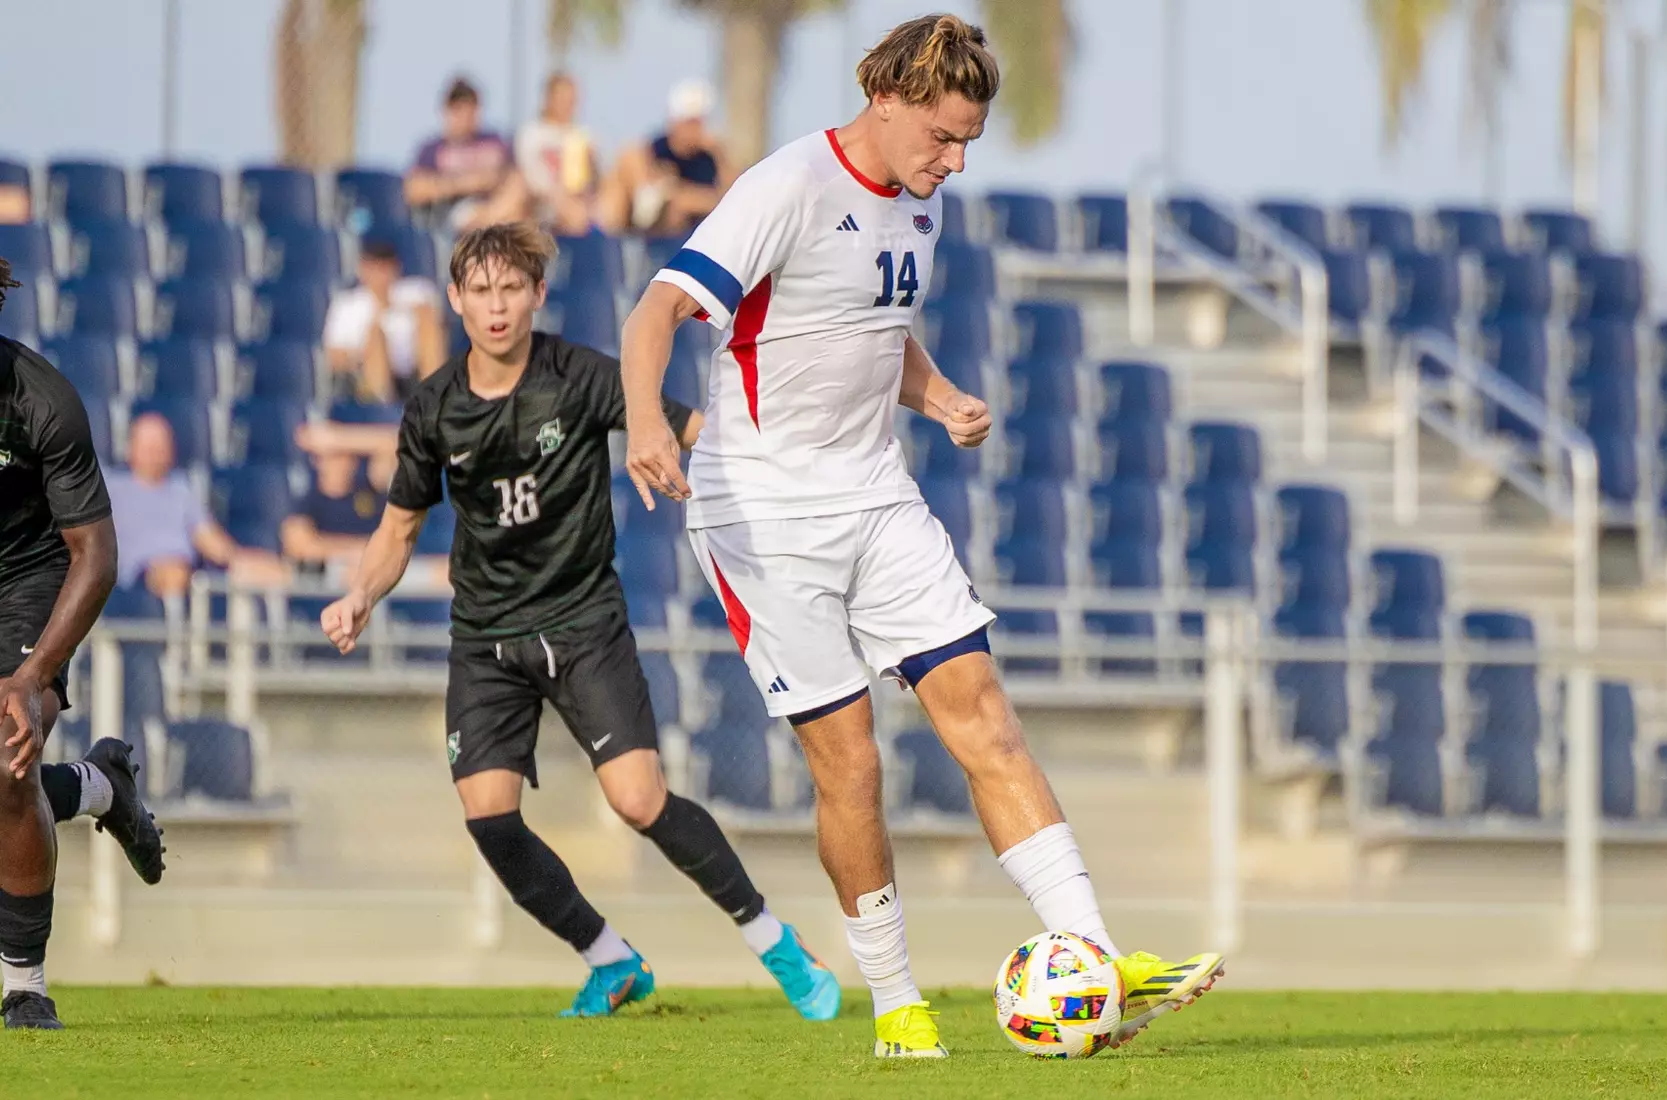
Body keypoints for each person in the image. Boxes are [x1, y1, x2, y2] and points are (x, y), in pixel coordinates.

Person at [618, 14, 1222, 1059]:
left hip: (876, 495)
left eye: (969, 145)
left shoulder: (920, 208)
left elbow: (874, 331)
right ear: (886, 99)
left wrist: (937, 395)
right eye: (942, 138)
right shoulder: (788, 186)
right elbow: (655, 313)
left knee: (985, 716)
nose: (953, 163)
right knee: (849, 762)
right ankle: (897, 1003)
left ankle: (1089, 954)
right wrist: (642, 424)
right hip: (764, 514)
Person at [317, 224, 839, 1021]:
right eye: (481, 292)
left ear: (537, 295)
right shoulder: (434, 407)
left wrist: (774, 484)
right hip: (485, 637)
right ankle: (610, 960)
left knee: (638, 800)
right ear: (455, 301)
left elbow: (688, 427)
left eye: (511, 290)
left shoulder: (583, 377)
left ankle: (773, 939)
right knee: (488, 814)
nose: (496, 307)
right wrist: (361, 596)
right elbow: (397, 530)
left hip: (583, 621)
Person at [0, 257, 167, 1030]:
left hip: (29, 582)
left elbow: (96, 556)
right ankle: (100, 785)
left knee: (3, 763)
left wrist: (33, 677)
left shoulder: (42, 400)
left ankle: (24, 986)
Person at [105, 412, 284, 596]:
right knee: (174, 575)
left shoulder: (181, 490)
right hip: (140, 577)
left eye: (160, 445)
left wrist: (241, 561)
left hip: (188, 570)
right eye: (148, 446)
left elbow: (209, 539)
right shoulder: (112, 490)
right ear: (131, 448)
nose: (155, 452)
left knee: (270, 572)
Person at [323, 237, 447, 404]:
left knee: (429, 325)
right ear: (362, 269)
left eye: (385, 267)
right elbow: (334, 355)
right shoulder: (347, 304)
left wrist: (396, 305)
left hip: (413, 366)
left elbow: (436, 320)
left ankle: (435, 401)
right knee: (375, 336)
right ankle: (383, 408)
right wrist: (358, 355)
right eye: (373, 267)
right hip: (364, 370)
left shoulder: (416, 290)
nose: (380, 274)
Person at [405, 77, 530, 233]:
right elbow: (413, 189)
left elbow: (518, 180)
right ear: (448, 111)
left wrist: (490, 207)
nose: (466, 118)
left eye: (471, 110)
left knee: (518, 205)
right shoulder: (433, 149)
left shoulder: (495, 142)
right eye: (459, 110)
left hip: (497, 209)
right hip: (451, 215)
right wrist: (466, 183)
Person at [602, 80, 724, 237]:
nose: (694, 130)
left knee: (677, 206)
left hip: (683, 234)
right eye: (689, 122)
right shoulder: (656, 149)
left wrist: (719, 154)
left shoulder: (710, 158)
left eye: (698, 122)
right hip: (645, 219)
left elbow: (723, 197)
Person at [515, 72, 599, 235]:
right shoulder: (531, 133)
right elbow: (531, 176)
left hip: (580, 201)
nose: (568, 105)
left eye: (572, 99)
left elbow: (595, 181)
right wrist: (559, 197)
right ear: (549, 99)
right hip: (542, 203)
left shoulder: (584, 136)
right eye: (563, 98)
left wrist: (592, 163)